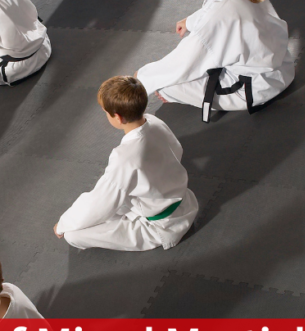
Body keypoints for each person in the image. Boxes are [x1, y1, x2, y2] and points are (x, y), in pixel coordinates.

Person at [137, 0, 294, 122]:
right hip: (282, 66)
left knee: (164, 86)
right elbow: (217, 11)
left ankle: (168, 91)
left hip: (254, 88)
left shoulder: (219, 15)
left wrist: (142, 78)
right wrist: (191, 21)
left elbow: (185, 61)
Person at [55, 76, 198, 250]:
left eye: (106, 112)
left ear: (117, 117)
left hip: (160, 227)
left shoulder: (125, 156)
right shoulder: (155, 122)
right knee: (116, 195)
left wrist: (64, 223)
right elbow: (177, 149)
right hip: (184, 202)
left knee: (73, 234)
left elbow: (101, 202)